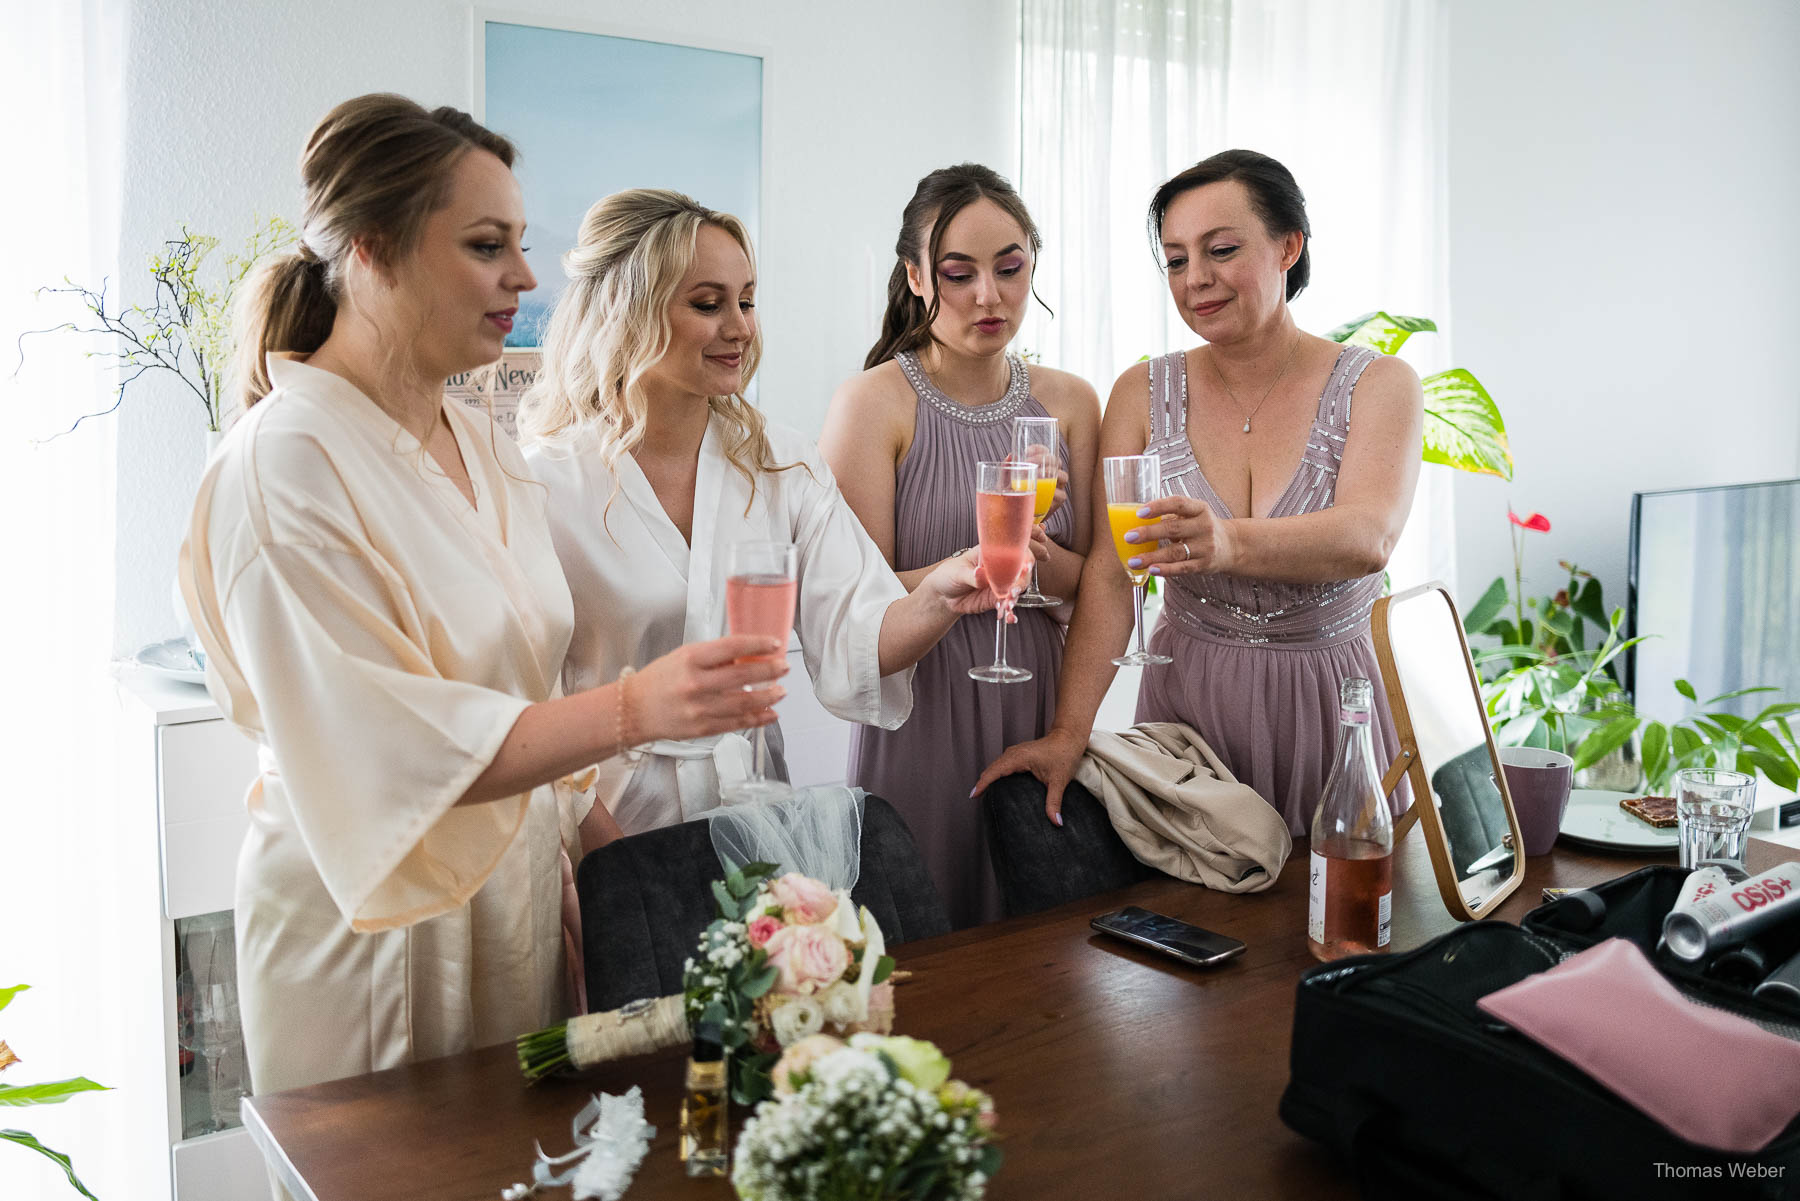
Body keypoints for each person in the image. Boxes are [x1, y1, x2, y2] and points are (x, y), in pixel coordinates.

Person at [179, 96, 790, 1116]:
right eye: (485, 244)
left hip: (513, 906)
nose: (525, 277)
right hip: (369, 939)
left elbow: (520, 679)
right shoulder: (284, 465)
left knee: (529, 1161)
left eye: (522, 244)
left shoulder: (484, 445)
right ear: (372, 250)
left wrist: (611, 875)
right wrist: (636, 708)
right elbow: (385, 745)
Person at [519, 188, 1012, 838]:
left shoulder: (782, 464)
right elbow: (529, 702)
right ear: (629, 312)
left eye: (746, 301)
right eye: (707, 303)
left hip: (756, 818)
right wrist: (603, 857)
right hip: (609, 822)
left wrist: (945, 592)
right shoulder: (546, 484)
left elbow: (856, 631)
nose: (740, 327)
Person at [976, 149, 1421, 838]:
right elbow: (1109, 571)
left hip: (1331, 702)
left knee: (1337, 923)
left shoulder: (1379, 384)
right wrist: (1069, 731)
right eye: (1177, 260)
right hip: (1186, 709)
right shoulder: (1140, 392)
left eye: (1220, 250)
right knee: (1182, 922)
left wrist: (1226, 540)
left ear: (1288, 246)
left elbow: (1369, 537)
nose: (1196, 279)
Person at [821, 164, 1100, 926]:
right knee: (924, 937)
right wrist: (973, 559)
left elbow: (1094, 582)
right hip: (923, 699)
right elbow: (855, 593)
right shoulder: (873, 403)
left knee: (1043, 942)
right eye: (958, 273)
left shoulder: (1071, 402)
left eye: (1010, 268)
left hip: (1037, 699)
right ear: (915, 276)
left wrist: (1030, 548)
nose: (990, 295)